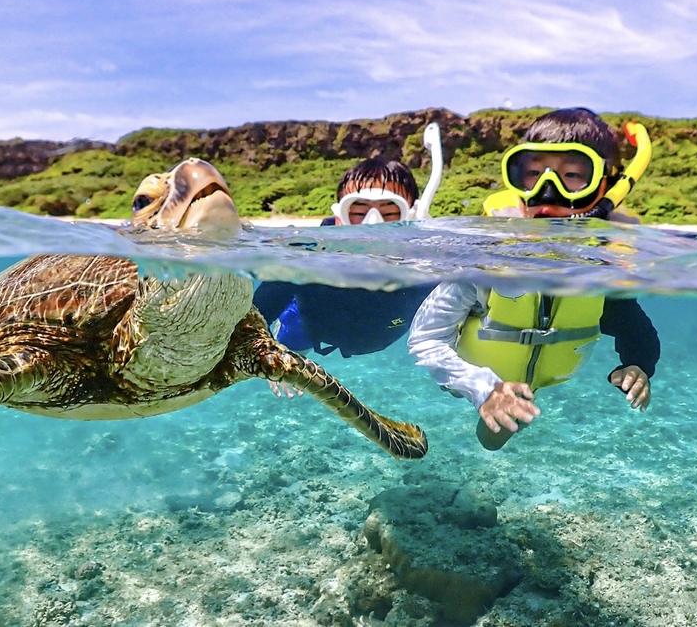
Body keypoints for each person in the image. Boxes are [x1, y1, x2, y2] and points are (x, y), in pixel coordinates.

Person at [406, 107, 660, 450]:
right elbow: (425, 337)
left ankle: (514, 401)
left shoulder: (601, 269)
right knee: (493, 434)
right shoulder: (486, 261)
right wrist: (483, 388)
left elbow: (636, 329)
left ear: (604, 184)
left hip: (536, 379)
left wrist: (638, 365)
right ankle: (496, 398)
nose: (548, 191)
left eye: (573, 174)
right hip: (472, 369)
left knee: (496, 437)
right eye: (533, 173)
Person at [255, 126, 444, 396]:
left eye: (390, 212)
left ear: (412, 216)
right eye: (357, 211)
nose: (373, 226)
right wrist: (272, 351)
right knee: (291, 344)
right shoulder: (307, 256)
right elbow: (254, 317)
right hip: (305, 328)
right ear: (338, 218)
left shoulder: (430, 265)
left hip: (377, 336)